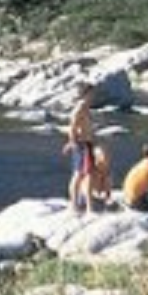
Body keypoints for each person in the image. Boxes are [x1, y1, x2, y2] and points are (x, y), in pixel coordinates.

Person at [61, 83, 97, 213]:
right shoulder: (80, 107)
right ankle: (78, 205)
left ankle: (81, 204)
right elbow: (72, 127)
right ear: (86, 93)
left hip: (86, 143)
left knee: (85, 174)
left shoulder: (85, 107)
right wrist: (73, 142)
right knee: (81, 174)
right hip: (82, 144)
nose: (94, 96)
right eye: (92, 93)